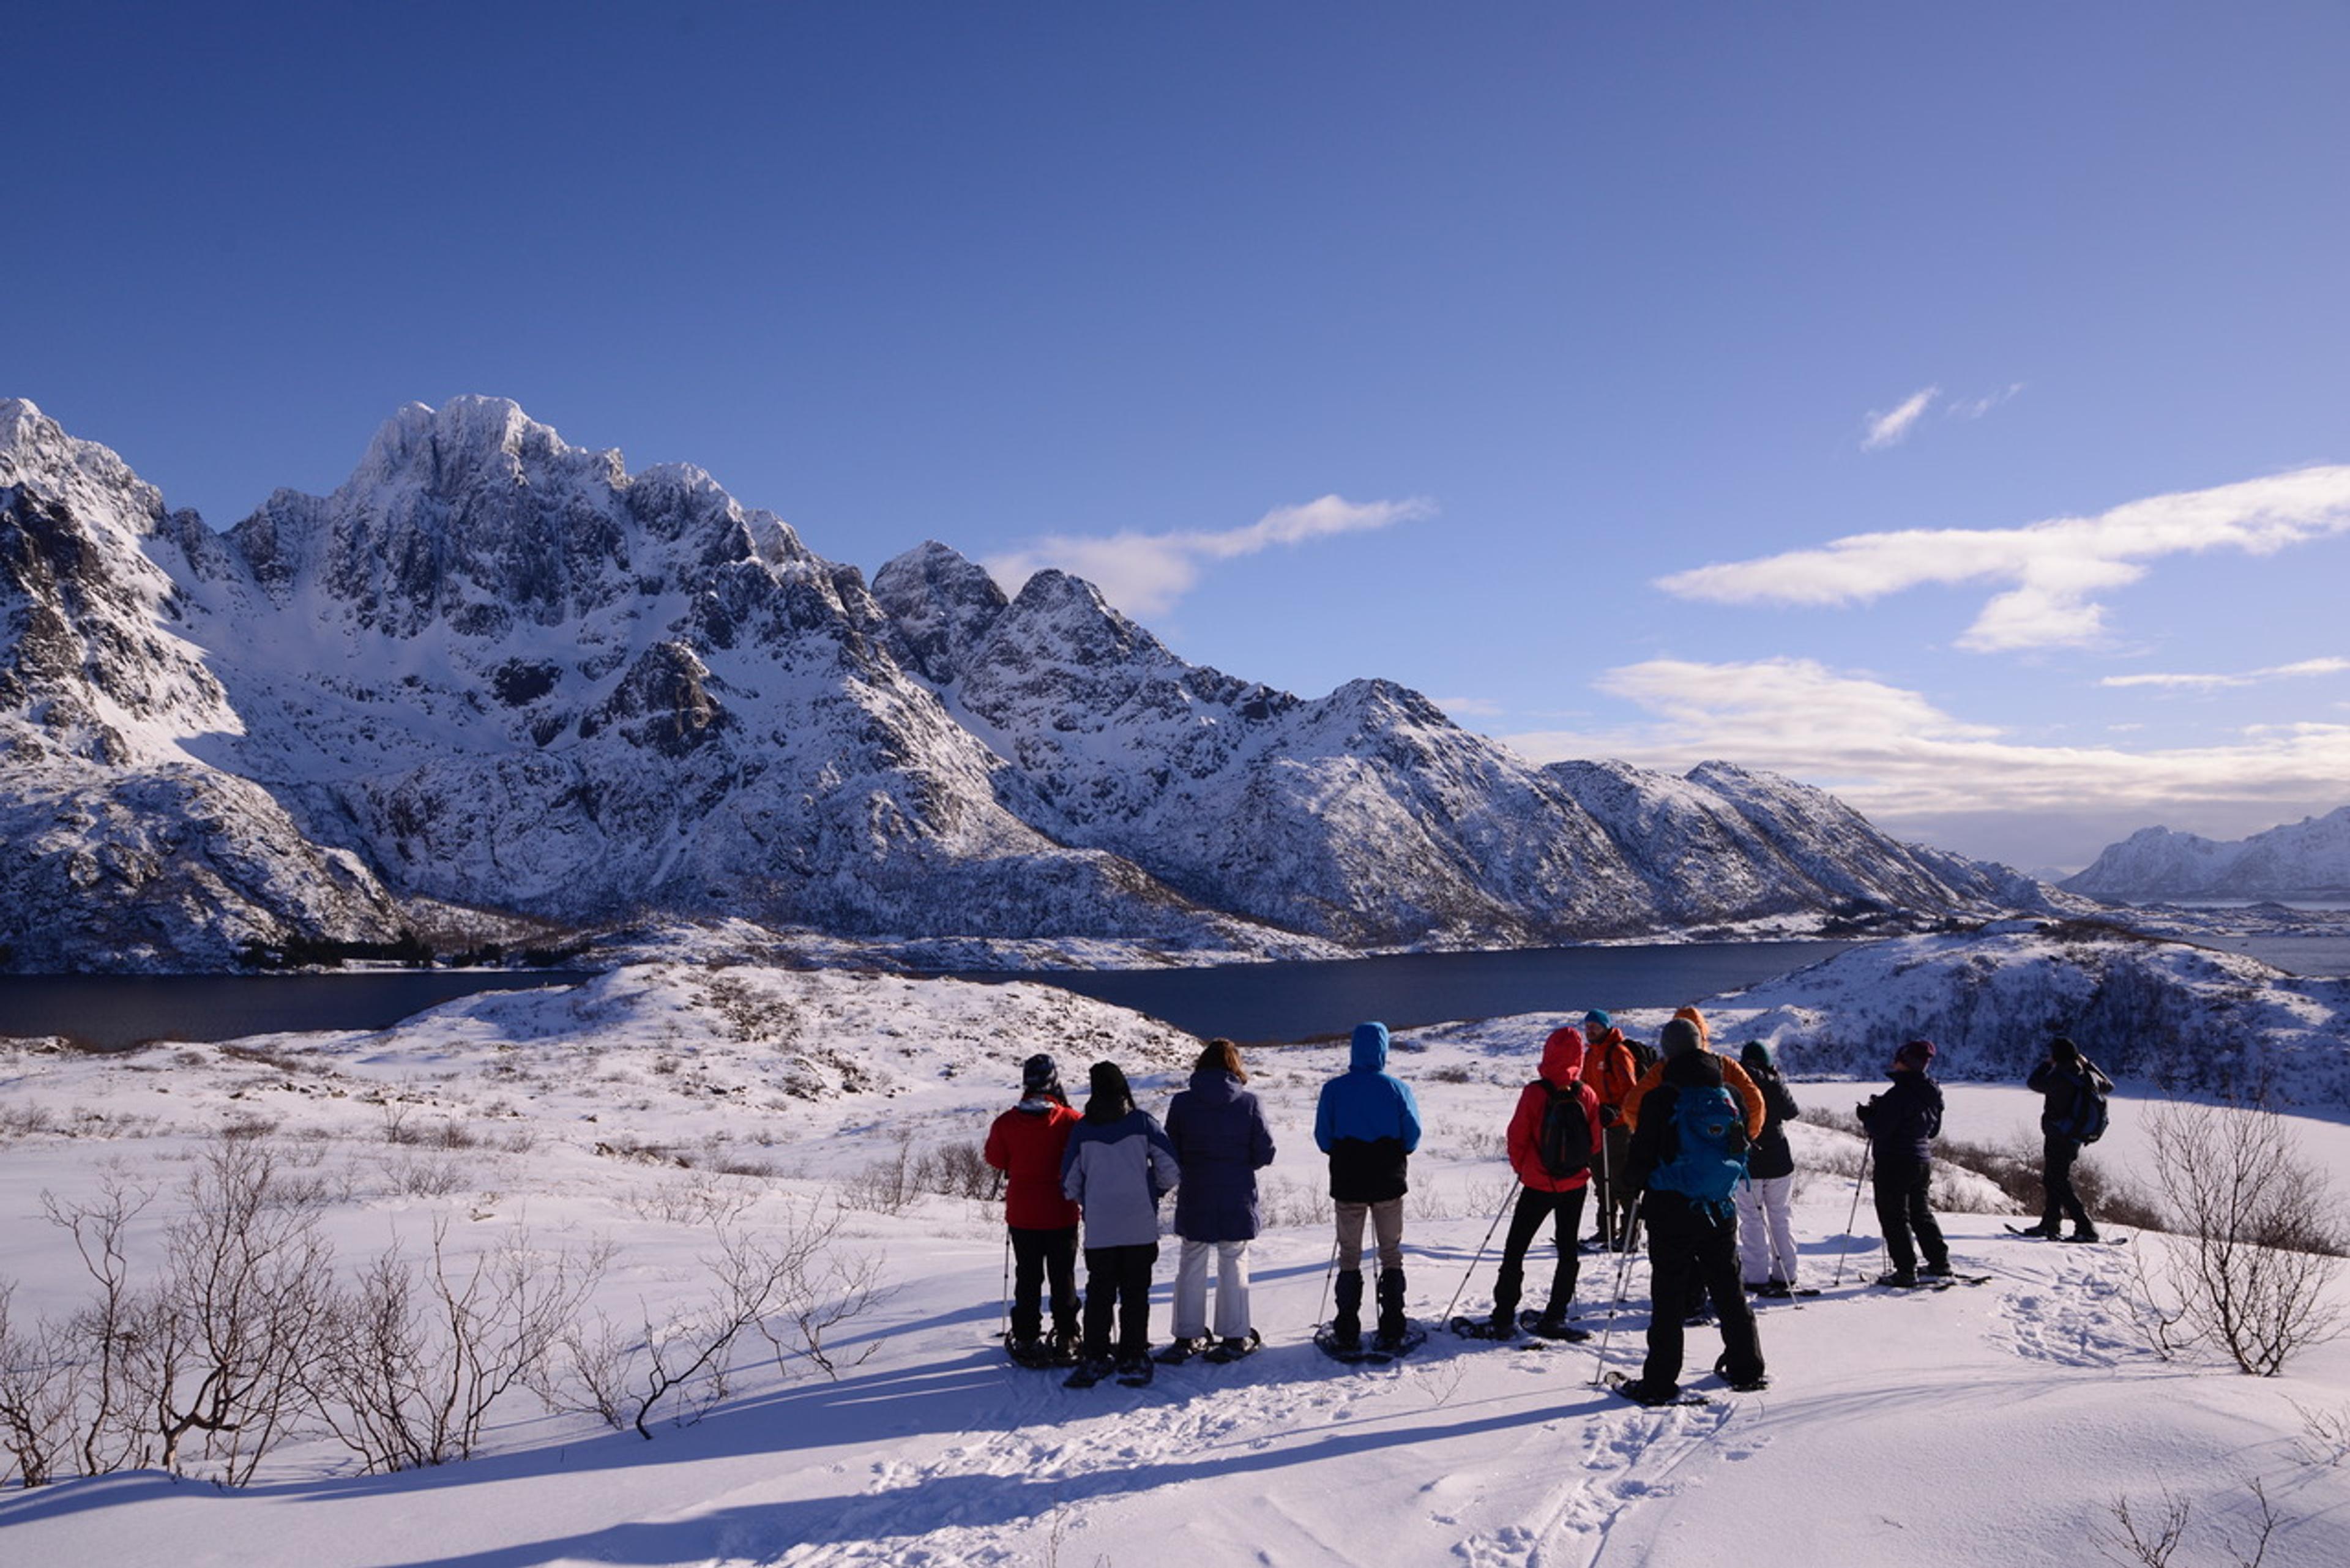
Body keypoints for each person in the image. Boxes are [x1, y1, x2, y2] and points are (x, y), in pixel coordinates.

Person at [1613, 1020, 1767, 1403]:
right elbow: (1743, 1140)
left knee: (1669, 1294)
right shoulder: (1728, 1090)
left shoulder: (1660, 1097)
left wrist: (1631, 1187)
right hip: (1719, 1205)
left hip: (1670, 1207)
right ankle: (1747, 1368)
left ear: (1668, 1052)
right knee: (1729, 1288)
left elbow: (1641, 1156)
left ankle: (1661, 1381)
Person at [1061, 1060, 1181, 1385]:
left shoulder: (1083, 1129)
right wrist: (1152, 1191)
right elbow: (1171, 1168)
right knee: (1135, 1292)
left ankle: (1096, 1355)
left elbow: (1069, 1182)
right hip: (1139, 1223)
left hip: (1100, 1228)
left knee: (1100, 1292)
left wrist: (1091, 1199)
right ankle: (1133, 1354)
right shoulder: (1143, 1123)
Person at [1162, 1039, 1277, 1359]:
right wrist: (1241, 1165)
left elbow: (1171, 1152)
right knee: (1234, 1259)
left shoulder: (1182, 1103)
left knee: (1192, 1259)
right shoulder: (1250, 1102)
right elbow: (1265, 1152)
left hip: (1196, 1192)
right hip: (1236, 1193)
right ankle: (1235, 1335)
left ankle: (1187, 1335)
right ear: (1234, 1065)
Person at [1314, 1021, 1425, 1353]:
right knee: (1390, 1253)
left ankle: (1347, 1330)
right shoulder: (1397, 1089)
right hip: (1388, 1180)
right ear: (1383, 1049)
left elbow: (1324, 1138)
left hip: (1348, 1181)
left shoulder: (1334, 1089)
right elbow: (1413, 1135)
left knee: (1349, 1255)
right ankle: (1393, 1327)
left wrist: (1347, 1152)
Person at [1487, 1025, 1605, 1335]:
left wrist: (1524, 1169)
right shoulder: (1587, 1094)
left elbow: (1517, 1138)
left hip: (1538, 1184)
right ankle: (1556, 1315)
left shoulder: (1535, 1093)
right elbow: (1594, 1144)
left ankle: (1503, 1316)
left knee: (1516, 1249)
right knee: (1568, 1250)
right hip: (1576, 1184)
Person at [983, 1053, 1083, 1364]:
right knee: (1062, 1276)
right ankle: (1067, 1336)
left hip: (1023, 1213)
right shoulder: (1071, 1120)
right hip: (1061, 1210)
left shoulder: (1005, 1123)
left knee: (1028, 1277)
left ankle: (1026, 1338)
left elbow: (996, 1160)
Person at [1856, 1039, 1951, 1288]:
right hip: (1921, 1160)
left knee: (1894, 1215)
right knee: (1920, 1212)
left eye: (1897, 1059)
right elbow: (1932, 1132)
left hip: (1894, 1161)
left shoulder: (1898, 1094)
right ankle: (1939, 1263)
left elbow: (1880, 1129)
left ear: (1905, 1062)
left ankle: (1906, 1271)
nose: (1894, 1062)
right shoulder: (1932, 1093)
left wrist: (1868, 1117)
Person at [2020, 1036, 2113, 1242]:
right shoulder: (2086, 1076)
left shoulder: (2059, 1076)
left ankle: (2085, 1227)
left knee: (2059, 1181)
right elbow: (2109, 1086)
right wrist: (2088, 1064)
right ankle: (2050, 1223)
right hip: (2073, 1137)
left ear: (2057, 1055)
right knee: (2052, 1178)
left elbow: (2033, 1082)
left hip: (2058, 1135)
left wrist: (2046, 1064)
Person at [1734, 1040, 1804, 1296]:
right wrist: (1776, 1080)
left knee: (1751, 1218)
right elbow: (1791, 1112)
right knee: (1780, 1217)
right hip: (1778, 1160)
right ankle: (1786, 1274)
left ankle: (1755, 1276)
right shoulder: (1774, 1081)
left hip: (1747, 1159)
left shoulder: (1736, 1081)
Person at [1577, 1010, 1641, 1251]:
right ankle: (1606, 1231)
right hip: (1596, 1127)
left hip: (1618, 1128)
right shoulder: (1591, 1054)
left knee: (1620, 1180)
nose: (1590, 1029)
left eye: (1595, 1025)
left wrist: (1616, 1111)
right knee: (1601, 1180)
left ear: (1606, 1027)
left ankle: (1630, 1235)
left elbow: (1631, 1091)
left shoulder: (1618, 1052)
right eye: (1588, 1026)